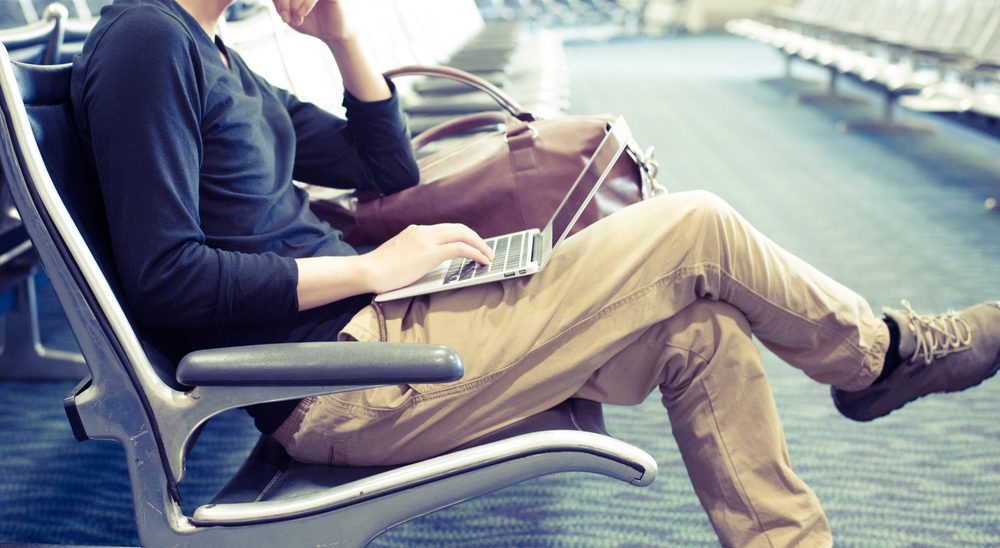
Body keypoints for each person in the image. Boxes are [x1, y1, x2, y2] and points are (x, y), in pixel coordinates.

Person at [70, 0, 1000, 545]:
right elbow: (167, 280)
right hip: (343, 382)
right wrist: (371, 272)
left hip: (385, 334)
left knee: (700, 329)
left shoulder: (210, 52)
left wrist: (342, 40)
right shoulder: (147, 42)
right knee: (697, 229)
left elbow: (383, 168)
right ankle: (881, 358)